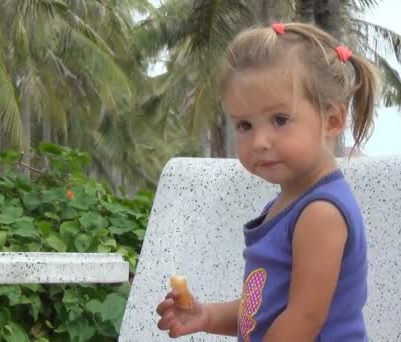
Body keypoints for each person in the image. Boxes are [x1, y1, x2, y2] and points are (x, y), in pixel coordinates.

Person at [156, 22, 379, 341]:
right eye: (245, 125)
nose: (260, 141)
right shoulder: (286, 206)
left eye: (280, 120)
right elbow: (263, 309)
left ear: (332, 120)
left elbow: (303, 320)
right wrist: (207, 315)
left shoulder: (321, 213)